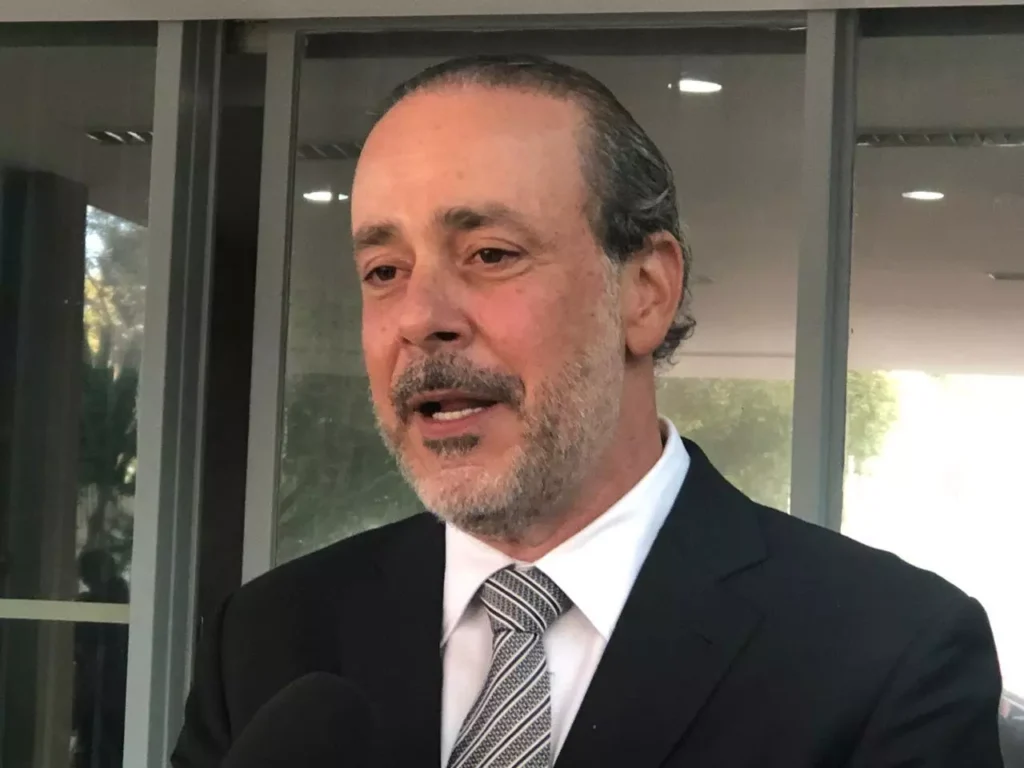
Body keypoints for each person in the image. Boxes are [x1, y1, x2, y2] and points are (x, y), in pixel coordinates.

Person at [172, 54, 1004, 767]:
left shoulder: (890, 654)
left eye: (490, 254)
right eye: (384, 271)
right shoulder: (268, 638)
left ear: (645, 293)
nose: (420, 318)